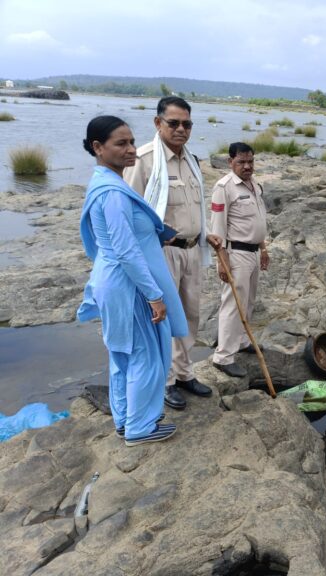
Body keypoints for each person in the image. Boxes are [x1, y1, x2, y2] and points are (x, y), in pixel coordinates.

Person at [78, 115, 187, 446]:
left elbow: (123, 238)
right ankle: (141, 427)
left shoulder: (106, 182)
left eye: (131, 142)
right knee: (146, 355)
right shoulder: (111, 192)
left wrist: (156, 234)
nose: (131, 150)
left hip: (115, 281)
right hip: (128, 284)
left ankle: (125, 419)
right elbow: (126, 251)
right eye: (121, 143)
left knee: (122, 353)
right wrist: (154, 295)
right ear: (98, 147)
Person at [124, 96, 222, 410]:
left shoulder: (191, 160)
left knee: (189, 316)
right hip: (162, 253)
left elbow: (193, 210)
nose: (181, 129)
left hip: (193, 251)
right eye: (174, 123)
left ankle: (184, 372)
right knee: (162, 318)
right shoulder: (144, 160)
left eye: (187, 124)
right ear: (158, 123)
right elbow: (130, 213)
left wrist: (207, 234)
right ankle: (164, 381)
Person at [209, 142, 269, 377]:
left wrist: (263, 249)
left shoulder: (255, 185)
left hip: (254, 252)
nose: (247, 166)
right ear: (230, 161)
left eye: (250, 161)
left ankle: (243, 341)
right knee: (232, 305)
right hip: (236, 253)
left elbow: (259, 220)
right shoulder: (223, 188)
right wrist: (222, 261)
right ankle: (223, 356)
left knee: (249, 301)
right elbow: (217, 228)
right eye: (241, 162)